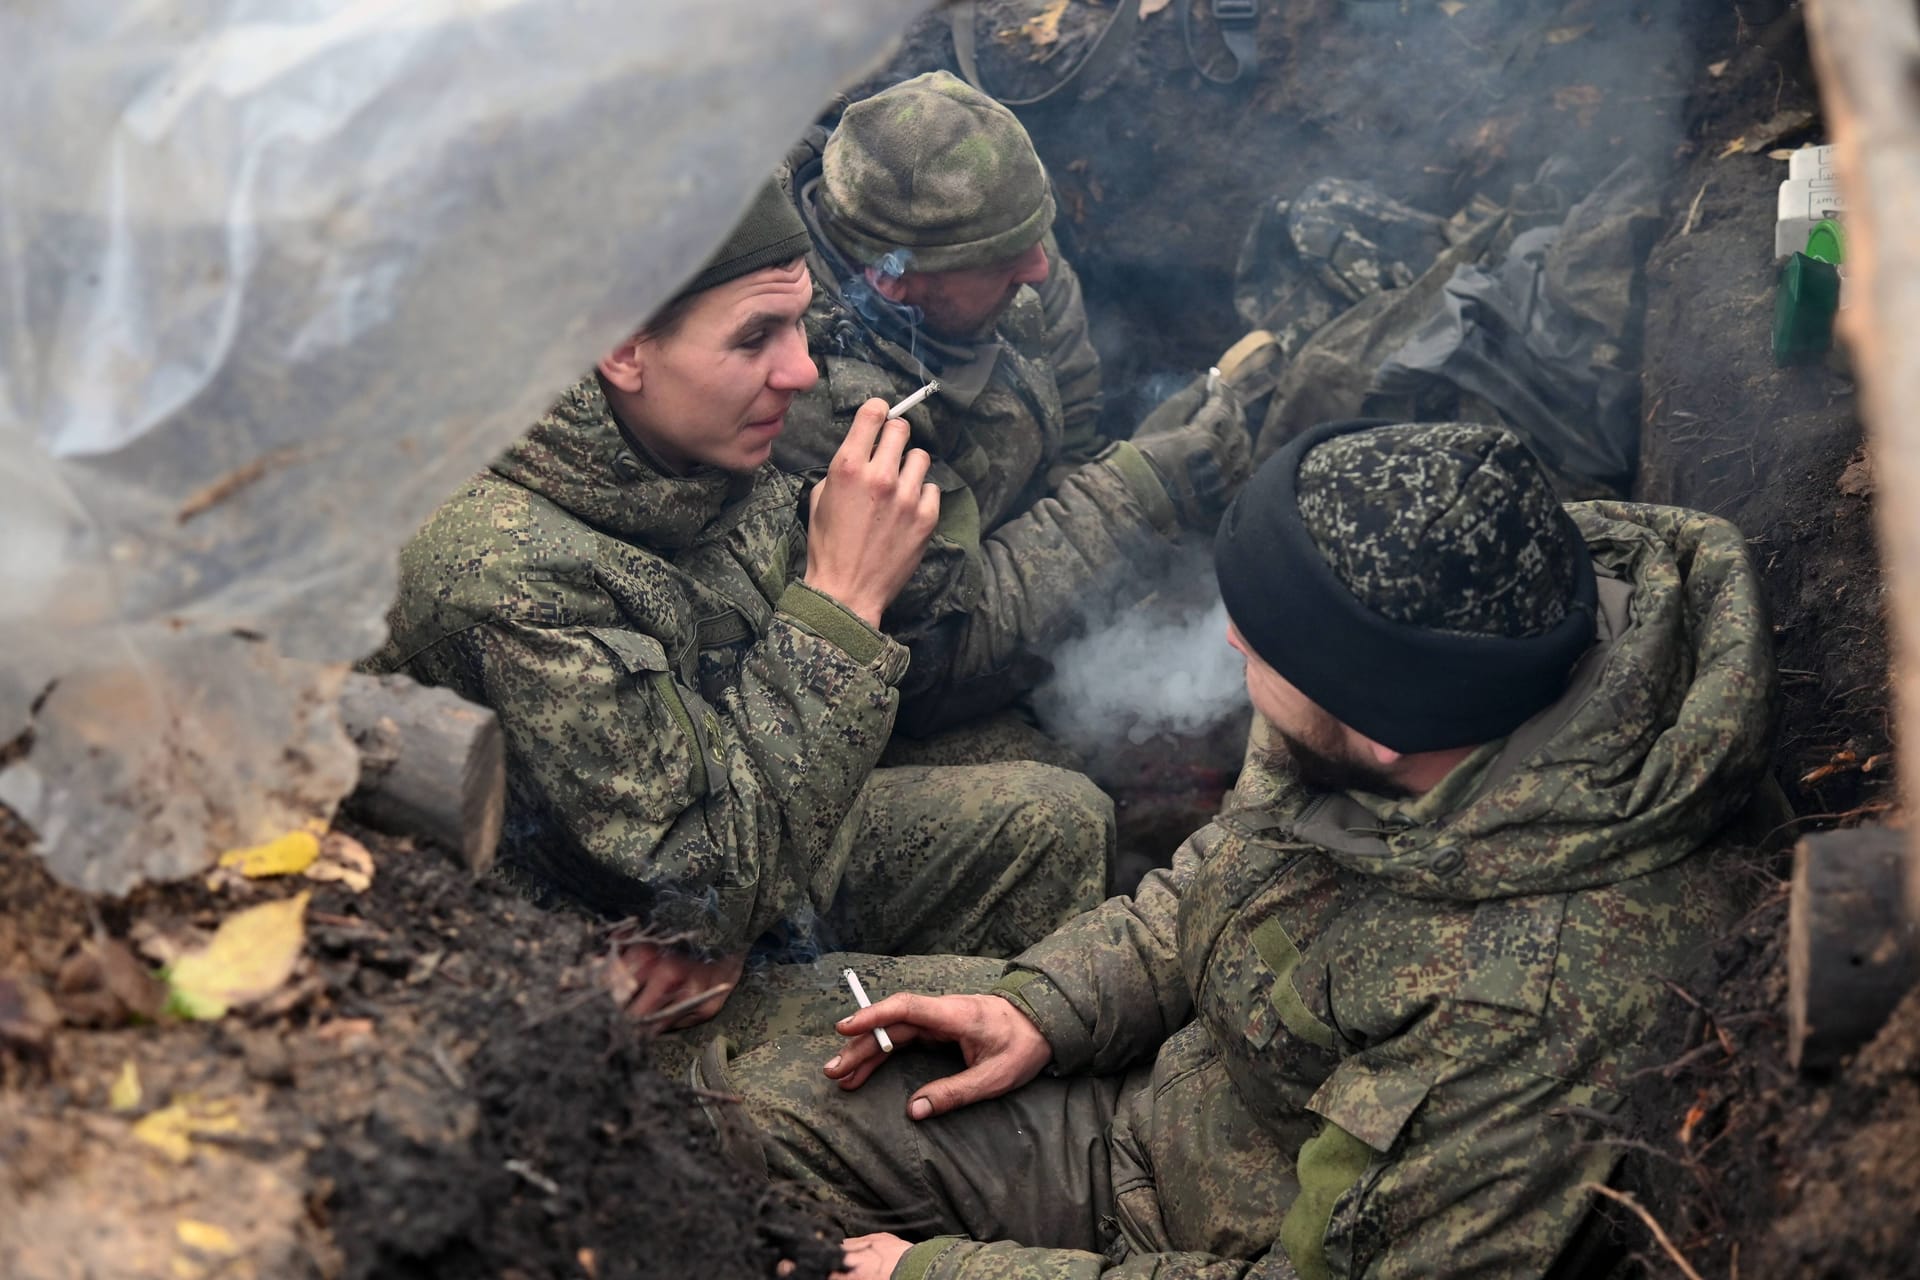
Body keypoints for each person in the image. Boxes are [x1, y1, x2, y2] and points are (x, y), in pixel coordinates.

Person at [712, 421, 1778, 1278]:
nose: (1231, 642)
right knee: (735, 1103)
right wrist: (1045, 1004)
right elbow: (1232, 874)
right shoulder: (1452, 643)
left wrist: (939, 1270)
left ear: (1381, 731)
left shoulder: (1525, 1014)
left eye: (1263, 643)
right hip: (1168, 1111)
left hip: (1196, 1240)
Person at [376, 181, 1111, 1030]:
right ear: (622, 350)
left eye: (800, 324)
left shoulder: (677, 440)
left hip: (737, 858)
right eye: (756, 336)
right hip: (601, 989)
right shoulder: (507, 573)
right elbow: (702, 883)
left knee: (1060, 824)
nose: (800, 371)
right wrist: (840, 603)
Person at [778, 71, 1255, 749]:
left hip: (1009, 570)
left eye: (1038, 232)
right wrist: (1136, 493)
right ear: (893, 275)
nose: (1037, 266)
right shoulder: (804, 396)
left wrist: (1118, 474)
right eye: (1003, 258)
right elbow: (929, 663)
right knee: (1040, 774)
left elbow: (1076, 417)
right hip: (886, 690)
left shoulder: (998, 226)